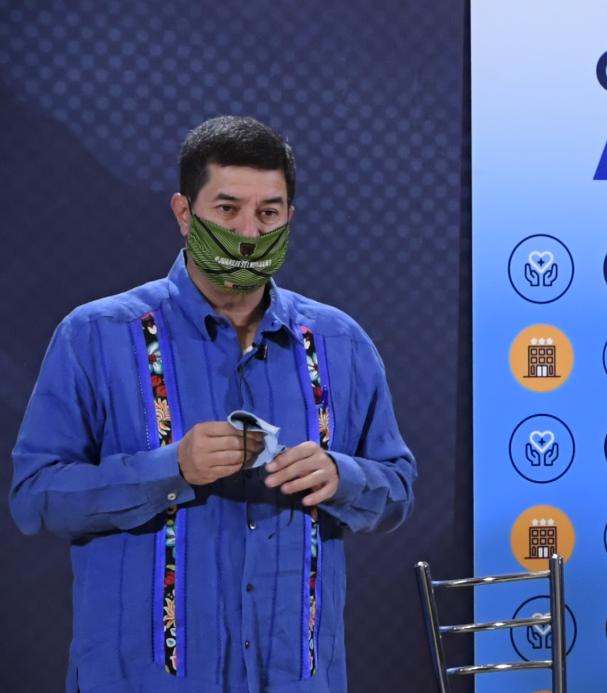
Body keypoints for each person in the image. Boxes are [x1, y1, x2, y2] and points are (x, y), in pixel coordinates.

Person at [9, 116, 417, 692]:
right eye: (227, 209)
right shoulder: (96, 336)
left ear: (289, 217)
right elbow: (36, 497)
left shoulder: (339, 343)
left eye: (269, 212)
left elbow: (396, 488)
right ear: (184, 213)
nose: (249, 232)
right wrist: (170, 469)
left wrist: (341, 476)